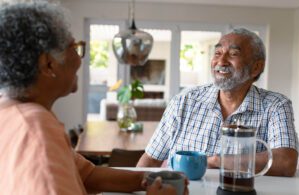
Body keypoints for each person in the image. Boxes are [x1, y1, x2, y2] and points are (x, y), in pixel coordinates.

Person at [0, 1, 187, 194]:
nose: (80, 59)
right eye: (75, 47)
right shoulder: (36, 129)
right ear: (49, 64)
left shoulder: (12, 112)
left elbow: (87, 175)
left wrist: (147, 179)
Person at [137, 28, 299, 177]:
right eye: (217, 52)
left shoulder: (276, 105)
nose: (221, 61)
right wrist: (137, 185)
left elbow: (286, 163)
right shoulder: (183, 101)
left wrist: (216, 161)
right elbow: (151, 159)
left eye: (233, 54)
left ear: (256, 67)